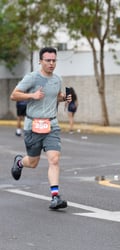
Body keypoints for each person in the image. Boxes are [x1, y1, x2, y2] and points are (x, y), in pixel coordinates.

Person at [10, 47, 72, 210]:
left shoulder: (57, 79)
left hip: (52, 125)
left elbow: (55, 96)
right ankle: (19, 162)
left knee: (54, 159)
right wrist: (32, 96)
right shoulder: (32, 78)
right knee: (33, 162)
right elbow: (14, 95)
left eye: (54, 60)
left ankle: (55, 196)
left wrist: (64, 97)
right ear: (40, 61)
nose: (51, 63)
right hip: (33, 125)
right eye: (48, 60)